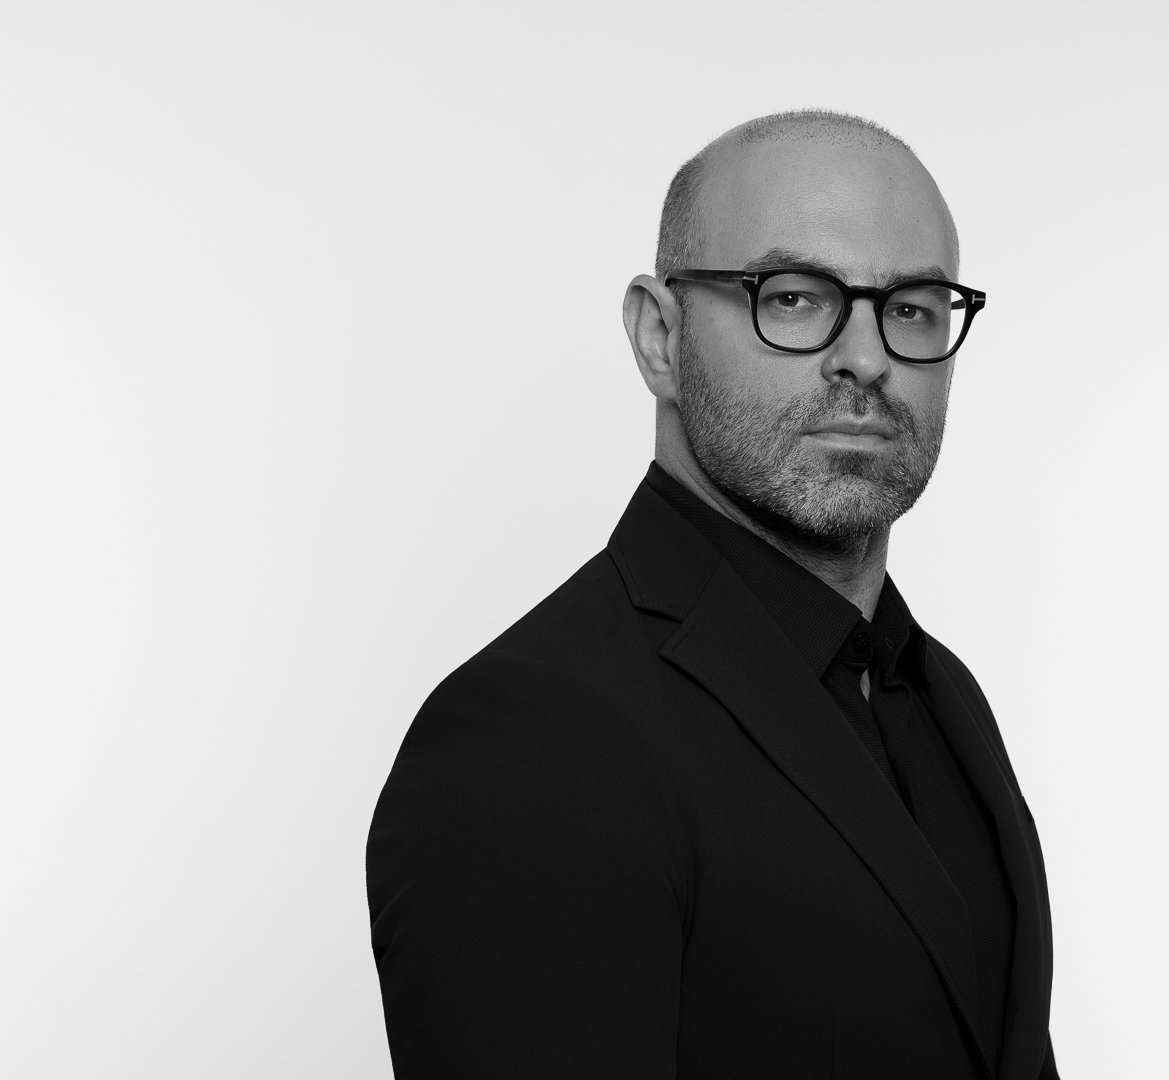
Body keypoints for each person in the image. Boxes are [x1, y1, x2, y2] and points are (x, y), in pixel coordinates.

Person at [367, 109, 1059, 1079]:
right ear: (659, 335)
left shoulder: (941, 695)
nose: (864, 357)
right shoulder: (536, 735)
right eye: (792, 296)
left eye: (910, 306)